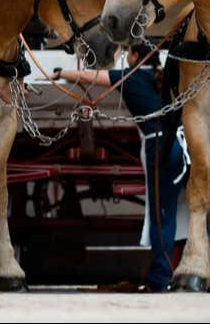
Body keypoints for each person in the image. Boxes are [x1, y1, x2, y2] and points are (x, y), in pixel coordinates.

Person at [53, 45, 189, 293]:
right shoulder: (165, 76)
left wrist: (61, 73)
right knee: (177, 212)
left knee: (161, 217)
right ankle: (178, 270)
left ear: (135, 56)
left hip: (159, 148)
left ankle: (160, 278)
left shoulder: (130, 77)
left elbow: (89, 76)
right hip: (180, 147)